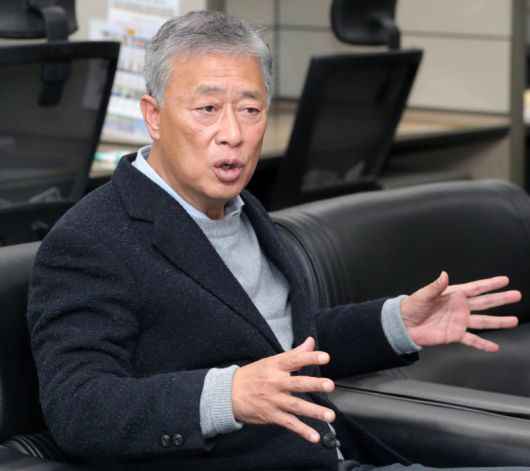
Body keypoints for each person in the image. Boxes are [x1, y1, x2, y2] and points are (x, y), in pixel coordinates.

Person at [27, 10, 523, 471]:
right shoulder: (91, 241)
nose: (232, 133)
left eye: (250, 109)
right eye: (207, 108)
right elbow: (78, 408)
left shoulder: (242, 209)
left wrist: (398, 324)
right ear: (154, 116)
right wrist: (228, 395)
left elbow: (283, 344)